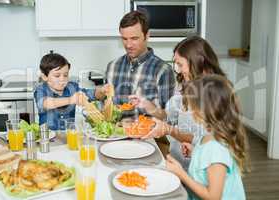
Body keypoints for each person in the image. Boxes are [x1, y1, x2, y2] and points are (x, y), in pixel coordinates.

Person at [129, 36, 227, 168]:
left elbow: (203, 140)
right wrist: (147, 105)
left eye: (180, 64)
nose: (177, 70)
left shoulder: (217, 95)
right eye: (176, 64)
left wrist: (169, 130)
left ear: (199, 62)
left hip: (203, 170)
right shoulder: (185, 85)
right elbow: (168, 115)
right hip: (178, 164)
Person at [166, 74, 248, 200]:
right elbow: (209, 163)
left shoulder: (217, 149)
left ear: (205, 110)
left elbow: (213, 197)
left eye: (192, 106)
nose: (189, 110)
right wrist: (196, 152)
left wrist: (181, 174)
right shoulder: (210, 137)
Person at [106, 10, 175, 111]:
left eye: (134, 38)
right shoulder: (112, 67)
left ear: (147, 36)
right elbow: (108, 107)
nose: (128, 45)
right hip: (116, 126)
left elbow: (169, 117)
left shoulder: (163, 70)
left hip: (148, 126)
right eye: (124, 39)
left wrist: (148, 107)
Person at [34, 53, 109, 130]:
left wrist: (102, 91)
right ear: (45, 77)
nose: (62, 79)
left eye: (65, 75)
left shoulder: (73, 87)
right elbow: (45, 103)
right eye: (57, 76)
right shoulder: (41, 90)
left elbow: (92, 94)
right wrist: (71, 100)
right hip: (48, 137)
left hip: (69, 135)